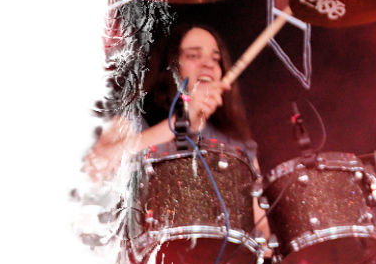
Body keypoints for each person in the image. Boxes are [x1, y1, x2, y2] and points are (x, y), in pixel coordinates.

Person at [84, 24, 260, 179]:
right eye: (194, 55)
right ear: (171, 68)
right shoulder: (133, 122)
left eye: (216, 59)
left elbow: (256, 206)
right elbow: (95, 168)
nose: (209, 64)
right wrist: (183, 119)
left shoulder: (238, 145)